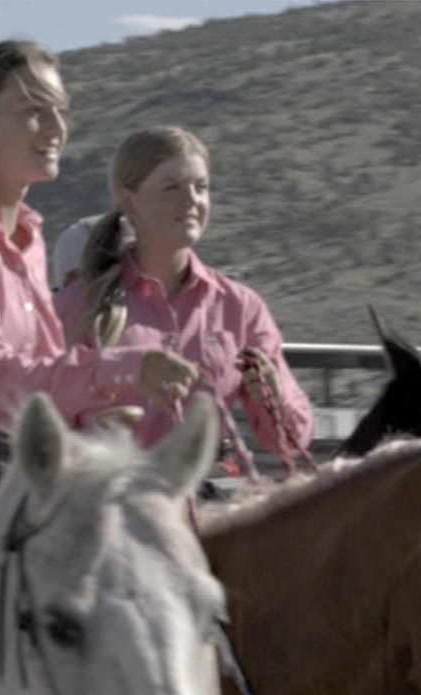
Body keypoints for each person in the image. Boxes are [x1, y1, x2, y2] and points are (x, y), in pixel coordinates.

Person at [0, 41, 182, 537]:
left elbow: (30, 377)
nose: (57, 129)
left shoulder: (24, 240)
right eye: (34, 112)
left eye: (60, 112)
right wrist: (123, 370)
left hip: (29, 474)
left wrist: (91, 417)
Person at [54, 126, 314, 461]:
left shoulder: (240, 308)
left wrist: (274, 397)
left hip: (201, 497)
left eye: (201, 187)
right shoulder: (77, 307)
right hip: (103, 499)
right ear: (129, 201)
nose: (192, 200)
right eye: (172, 187)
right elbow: (36, 429)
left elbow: (292, 443)